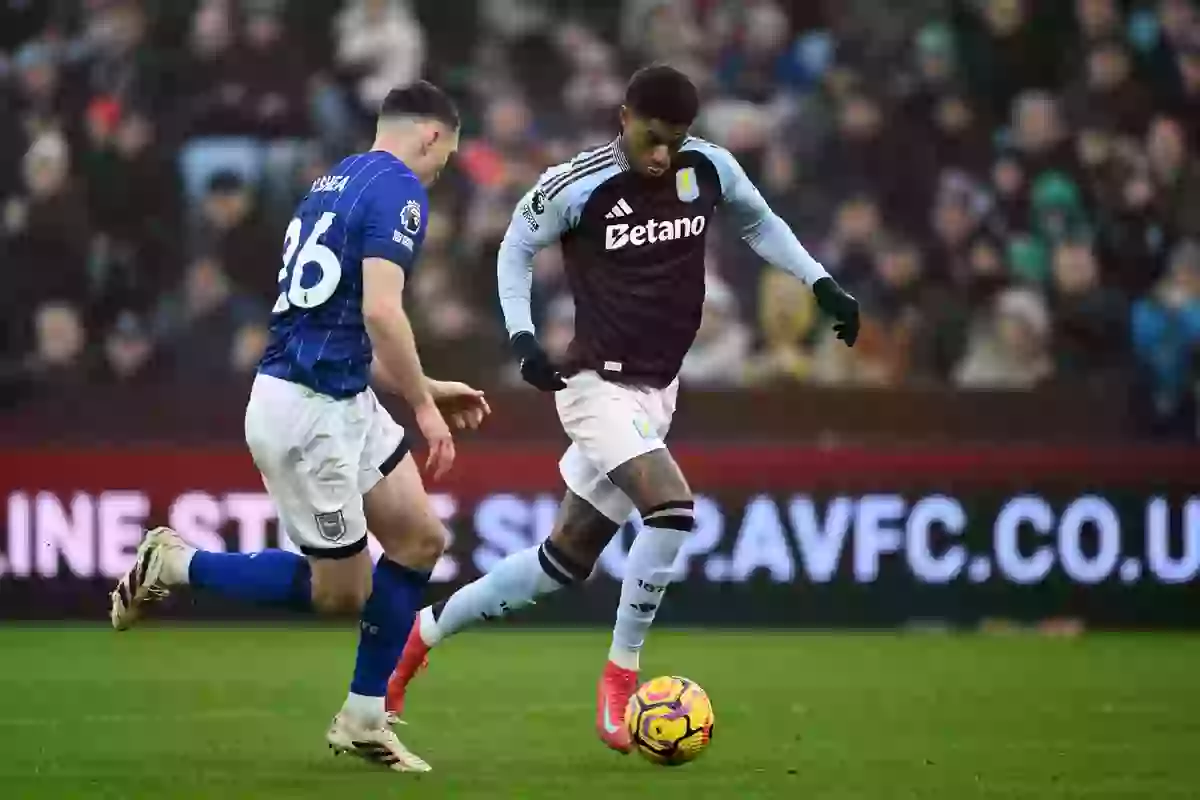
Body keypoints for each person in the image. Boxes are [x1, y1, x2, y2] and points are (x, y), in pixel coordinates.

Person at [384, 65, 860, 752]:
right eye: (652, 138)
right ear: (624, 116)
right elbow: (516, 247)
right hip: (593, 387)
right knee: (671, 506)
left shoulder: (708, 168)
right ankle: (620, 679)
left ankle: (420, 636)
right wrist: (522, 337)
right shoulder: (577, 185)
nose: (663, 155)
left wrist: (821, 283)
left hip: (656, 391)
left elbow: (760, 222)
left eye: (676, 141)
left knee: (562, 561)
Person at [108, 82, 489, 773]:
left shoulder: (331, 181)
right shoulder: (401, 189)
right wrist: (425, 409)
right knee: (343, 593)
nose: (442, 171)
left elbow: (337, 317)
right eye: (448, 156)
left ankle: (365, 719)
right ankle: (175, 562)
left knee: (419, 538)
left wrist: (421, 384)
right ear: (432, 136)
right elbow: (380, 311)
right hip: (307, 411)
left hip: (338, 394)